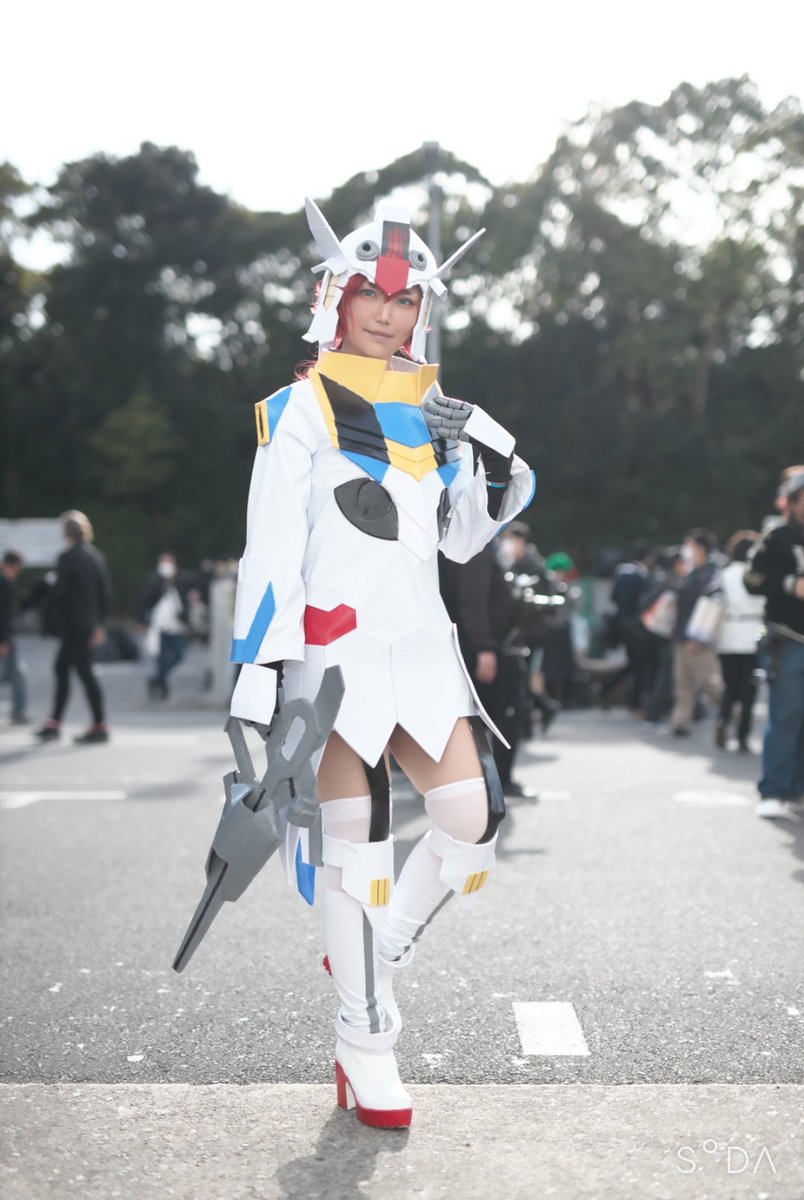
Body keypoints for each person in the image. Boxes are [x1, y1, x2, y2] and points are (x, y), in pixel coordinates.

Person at [223, 198, 534, 1128]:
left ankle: (381, 947)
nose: (388, 314)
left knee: (473, 823)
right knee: (353, 845)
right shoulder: (297, 411)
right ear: (337, 296)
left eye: (405, 300)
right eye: (372, 294)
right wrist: (260, 672)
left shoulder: (433, 417)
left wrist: (480, 445)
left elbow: (466, 539)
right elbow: (270, 550)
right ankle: (364, 1038)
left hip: (423, 649)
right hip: (334, 656)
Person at [440, 542, 535, 799]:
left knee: (482, 715)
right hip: (487, 646)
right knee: (504, 713)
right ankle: (498, 782)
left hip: (476, 643)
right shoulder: (473, 544)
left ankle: (485, 782)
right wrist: (485, 647)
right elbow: (472, 600)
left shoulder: (463, 543)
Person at [744, 471, 804, 818]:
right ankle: (773, 790)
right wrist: (789, 584)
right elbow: (751, 579)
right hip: (787, 637)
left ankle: (798, 789)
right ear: (792, 502)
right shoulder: (777, 537)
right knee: (786, 716)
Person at [35, 511, 111, 744]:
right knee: (67, 669)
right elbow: (104, 593)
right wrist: (100, 624)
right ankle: (57, 722)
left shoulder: (66, 558)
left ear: (66, 533)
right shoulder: (96, 557)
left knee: (80, 672)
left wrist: (46, 592)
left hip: (72, 625)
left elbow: (60, 592)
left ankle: (96, 725)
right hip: (88, 624)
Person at [668, 529, 723, 737]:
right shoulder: (689, 573)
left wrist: (698, 637)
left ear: (700, 548)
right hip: (681, 636)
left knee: (709, 683)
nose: (686, 549)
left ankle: (731, 711)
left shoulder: (711, 575)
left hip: (698, 638)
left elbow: (710, 609)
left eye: (689, 544)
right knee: (682, 682)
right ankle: (680, 722)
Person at [714, 531, 765, 752]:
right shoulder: (757, 574)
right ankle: (743, 736)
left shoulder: (724, 574)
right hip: (752, 635)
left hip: (727, 635)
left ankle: (723, 719)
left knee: (730, 686)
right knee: (749, 690)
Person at [599, 541, 654, 715]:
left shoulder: (621, 571)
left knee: (634, 664)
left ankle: (607, 690)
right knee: (639, 666)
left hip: (620, 625)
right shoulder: (641, 575)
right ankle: (635, 704)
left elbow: (613, 597)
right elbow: (645, 602)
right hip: (636, 627)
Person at [140, 553, 189, 699]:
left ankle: (157, 679)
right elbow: (145, 601)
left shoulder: (180, 580)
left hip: (176, 625)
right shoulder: (154, 582)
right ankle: (162, 688)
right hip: (159, 625)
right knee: (160, 657)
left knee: (178, 655)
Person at [0, 550, 29, 724]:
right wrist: (2, 640)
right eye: (15, 567)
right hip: (3, 640)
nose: (17, 571)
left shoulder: (8, 583)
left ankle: (18, 712)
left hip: (8, 639)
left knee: (18, 675)